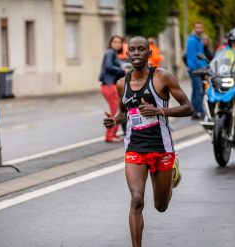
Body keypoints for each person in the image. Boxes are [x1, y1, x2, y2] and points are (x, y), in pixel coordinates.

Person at [103, 36, 193, 247]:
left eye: (141, 49)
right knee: (136, 199)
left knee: (161, 206)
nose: (136, 53)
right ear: (127, 54)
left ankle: (172, 171)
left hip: (161, 148)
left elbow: (188, 108)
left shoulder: (163, 78)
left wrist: (160, 110)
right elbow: (123, 112)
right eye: (132, 50)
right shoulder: (121, 84)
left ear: (149, 53)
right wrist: (113, 120)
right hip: (135, 148)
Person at [99, 35, 128, 142]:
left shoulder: (114, 54)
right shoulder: (110, 52)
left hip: (110, 85)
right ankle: (109, 136)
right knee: (116, 110)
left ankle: (112, 134)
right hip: (108, 84)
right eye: (115, 42)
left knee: (117, 109)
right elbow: (108, 66)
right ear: (110, 43)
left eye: (119, 42)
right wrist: (123, 71)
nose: (117, 44)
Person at [186, 21, 207, 120]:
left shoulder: (198, 40)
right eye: (197, 28)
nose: (199, 29)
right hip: (195, 69)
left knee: (195, 91)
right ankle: (200, 111)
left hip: (198, 68)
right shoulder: (192, 40)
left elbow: (201, 56)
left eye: (201, 27)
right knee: (199, 91)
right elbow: (195, 57)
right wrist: (204, 68)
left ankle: (193, 111)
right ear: (194, 29)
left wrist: (206, 65)